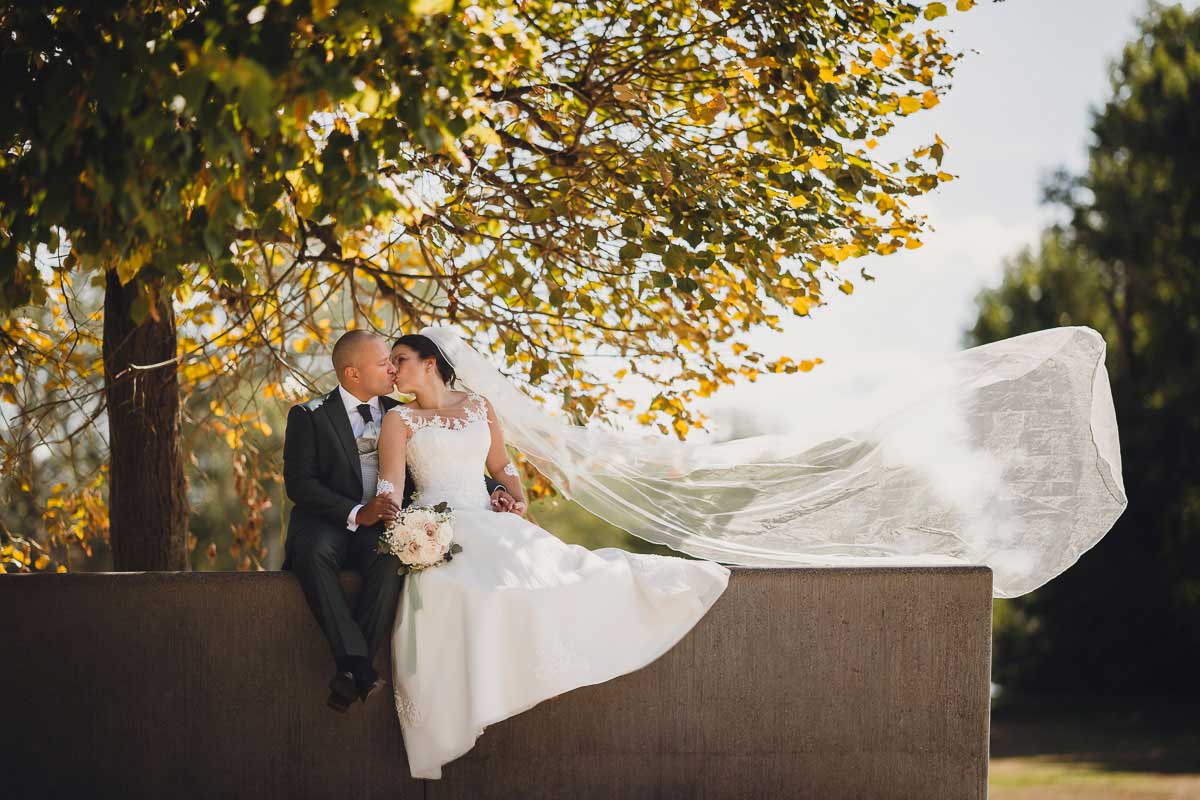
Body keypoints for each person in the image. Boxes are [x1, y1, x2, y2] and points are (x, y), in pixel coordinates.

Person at [375, 334, 731, 779]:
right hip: (438, 528)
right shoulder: (399, 418)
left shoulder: (480, 406)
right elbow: (389, 486)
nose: (392, 369)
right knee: (462, 590)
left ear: (430, 363)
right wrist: (408, 535)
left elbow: (501, 466)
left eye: (400, 360)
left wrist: (516, 499)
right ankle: (481, 694)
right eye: (390, 363)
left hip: (490, 519)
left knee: (558, 575)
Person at [281, 331, 511, 713]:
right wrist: (357, 512)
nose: (392, 368)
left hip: (382, 526)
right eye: (382, 363)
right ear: (353, 374)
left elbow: (444, 462)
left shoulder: (400, 411)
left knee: (392, 560)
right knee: (315, 552)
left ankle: (354, 672)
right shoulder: (310, 416)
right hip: (328, 522)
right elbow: (300, 485)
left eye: (394, 360)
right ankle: (357, 665)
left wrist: (495, 489)